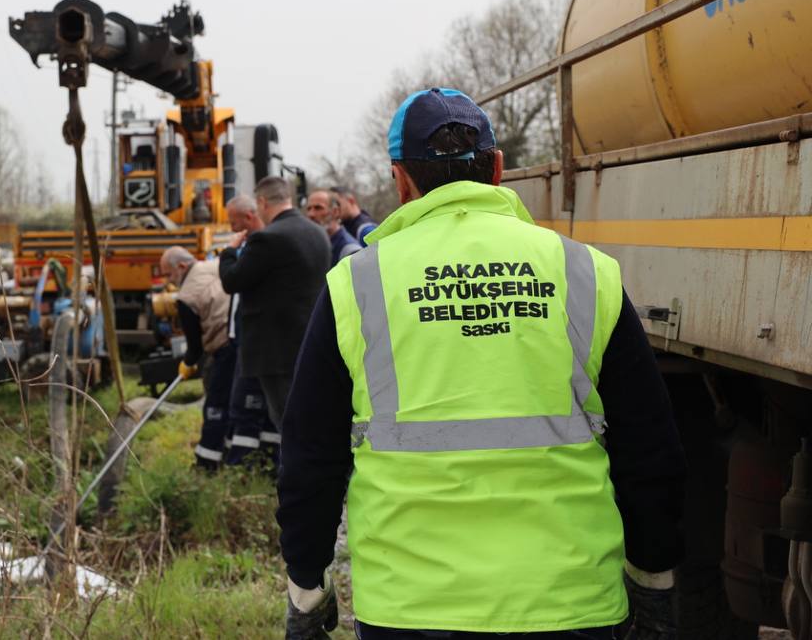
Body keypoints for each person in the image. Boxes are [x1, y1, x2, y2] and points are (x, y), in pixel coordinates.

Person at [278, 87, 686, 640]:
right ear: (498, 168)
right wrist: (652, 577)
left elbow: (310, 458)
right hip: (569, 601)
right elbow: (650, 447)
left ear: (401, 180)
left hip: (410, 606)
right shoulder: (585, 272)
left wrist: (308, 589)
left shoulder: (357, 284)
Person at [220, 176, 330, 434]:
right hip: (313, 342)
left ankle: (301, 474)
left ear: (261, 202)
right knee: (313, 418)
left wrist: (228, 252)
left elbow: (232, 280)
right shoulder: (318, 232)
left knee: (289, 424)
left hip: (277, 352)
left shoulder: (268, 239)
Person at [160, 246, 232, 470]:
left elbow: (195, 347)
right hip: (245, 339)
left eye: (168, 274)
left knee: (216, 405)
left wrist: (187, 363)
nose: (168, 281)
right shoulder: (216, 265)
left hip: (224, 347)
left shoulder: (186, 297)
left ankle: (207, 463)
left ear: (181, 267)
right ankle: (231, 454)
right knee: (235, 404)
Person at [222, 195, 281, 464]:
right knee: (248, 405)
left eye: (233, 221)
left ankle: (246, 463)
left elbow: (232, 281)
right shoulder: (253, 245)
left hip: (256, 343)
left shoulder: (263, 245)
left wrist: (229, 252)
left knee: (247, 406)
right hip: (243, 339)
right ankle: (260, 461)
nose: (231, 227)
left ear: (248, 216)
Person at [305, 189, 359, 265]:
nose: (311, 214)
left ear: (335, 212)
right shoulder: (314, 245)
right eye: (309, 209)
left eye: (318, 208)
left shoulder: (350, 251)